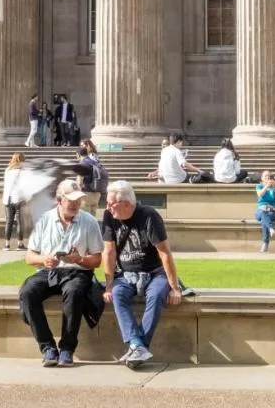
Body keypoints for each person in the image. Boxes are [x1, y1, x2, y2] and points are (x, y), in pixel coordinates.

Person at [20, 179, 105, 367]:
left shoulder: (89, 222)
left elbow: (97, 260)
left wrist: (79, 260)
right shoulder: (45, 220)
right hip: (49, 271)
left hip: (78, 271)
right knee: (27, 292)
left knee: (74, 292)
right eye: (71, 200)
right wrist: (44, 259)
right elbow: (29, 257)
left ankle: (67, 349)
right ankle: (47, 348)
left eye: (78, 200)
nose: (76, 204)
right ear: (59, 200)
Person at [101, 180, 184, 368]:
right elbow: (109, 252)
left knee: (156, 296)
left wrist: (175, 287)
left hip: (155, 273)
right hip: (125, 274)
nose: (107, 208)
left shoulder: (149, 216)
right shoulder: (109, 216)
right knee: (118, 294)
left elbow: (164, 252)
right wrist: (108, 286)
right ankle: (138, 345)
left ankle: (138, 347)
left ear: (127, 204)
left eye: (111, 204)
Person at [2, 152, 27, 251]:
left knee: (9, 222)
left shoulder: (7, 170)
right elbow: (24, 186)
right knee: (20, 222)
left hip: (7, 198)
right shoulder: (22, 171)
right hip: (18, 198)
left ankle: (7, 244)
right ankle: (20, 244)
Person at [76, 141, 108, 209]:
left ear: (78, 155)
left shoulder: (82, 164)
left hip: (86, 194)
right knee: (93, 217)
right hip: (97, 194)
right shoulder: (94, 161)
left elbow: (79, 182)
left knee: (85, 217)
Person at [254, 171, 275, 253]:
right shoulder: (259, 186)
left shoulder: (274, 187)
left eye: (269, 176)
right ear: (262, 178)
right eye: (265, 176)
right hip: (260, 211)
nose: (268, 178)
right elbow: (260, 194)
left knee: (264, 220)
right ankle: (270, 228)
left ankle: (265, 244)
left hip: (272, 212)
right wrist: (266, 186)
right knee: (263, 213)